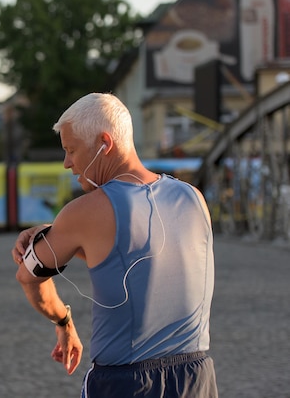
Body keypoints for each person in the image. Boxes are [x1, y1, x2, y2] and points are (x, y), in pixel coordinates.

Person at [12, 93, 217, 397]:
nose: (67, 163)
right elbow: (138, 256)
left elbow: (28, 277)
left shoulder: (84, 212)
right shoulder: (193, 198)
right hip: (196, 377)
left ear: (104, 143)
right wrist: (70, 237)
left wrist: (64, 321)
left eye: (71, 150)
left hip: (127, 383)